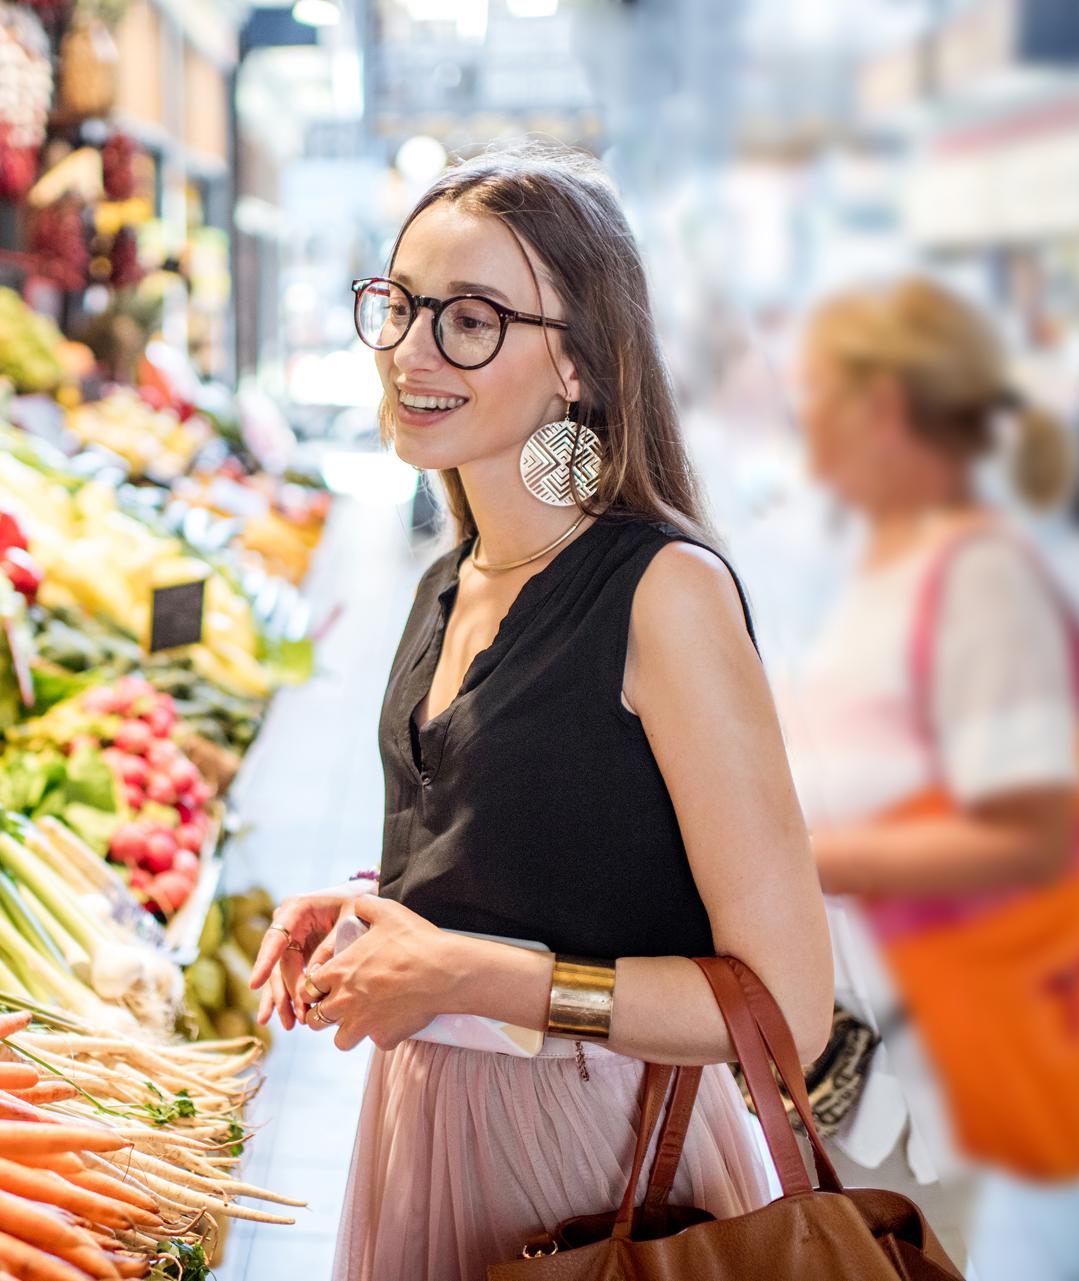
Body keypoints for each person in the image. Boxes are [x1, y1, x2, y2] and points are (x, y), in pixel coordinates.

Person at [247, 142, 833, 1281]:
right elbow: (557, 860)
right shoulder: (450, 579)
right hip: (422, 1127)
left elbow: (785, 1007)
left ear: (578, 365)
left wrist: (466, 975)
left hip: (596, 1166)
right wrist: (391, 912)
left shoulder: (664, 593)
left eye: (471, 319)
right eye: (401, 306)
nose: (413, 352)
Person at [784, 276, 1079, 1279]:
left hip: (955, 1076)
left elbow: (1030, 833)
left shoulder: (981, 580)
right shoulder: (885, 564)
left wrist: (801, 859)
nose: (802, 422)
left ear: (882, 409)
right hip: (891, 1062)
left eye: (817, 394)